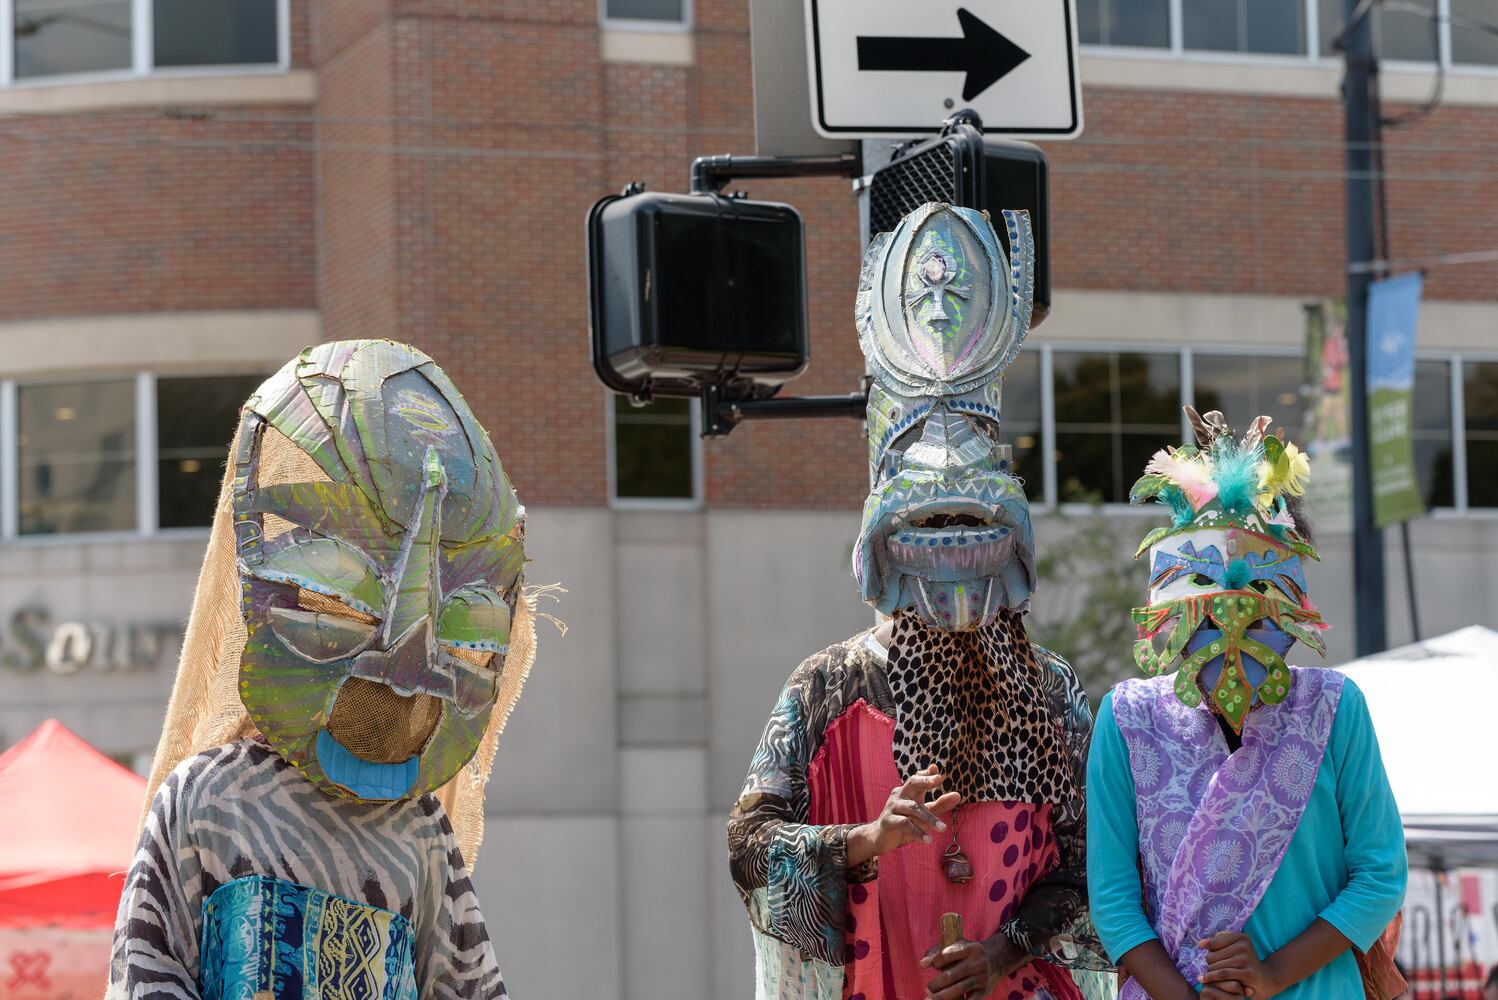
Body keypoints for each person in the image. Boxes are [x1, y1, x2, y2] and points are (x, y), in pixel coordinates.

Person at [728, 203, 1110, 1000]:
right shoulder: (827, 687)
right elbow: (749, 843)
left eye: (966, 516)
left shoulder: (1050, 689)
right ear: (882, 543)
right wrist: (867, 840)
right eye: (928, 517)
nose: (950, 539)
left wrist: (1007, 949)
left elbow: (1096, 866)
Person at [108, 341, 537, 999]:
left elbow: (467, 985)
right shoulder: (209, 797)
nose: (401, 667)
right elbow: (149, 965)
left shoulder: (417, 827)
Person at [1086, 408, 1408, 999]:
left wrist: (1269, 975)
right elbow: (1112, 901)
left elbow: (1380, 876)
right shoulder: (1128, 719)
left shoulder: (1334, 709)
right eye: (1205, 584)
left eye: (1259, 586)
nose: (1231, 610)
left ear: (1295, 599)